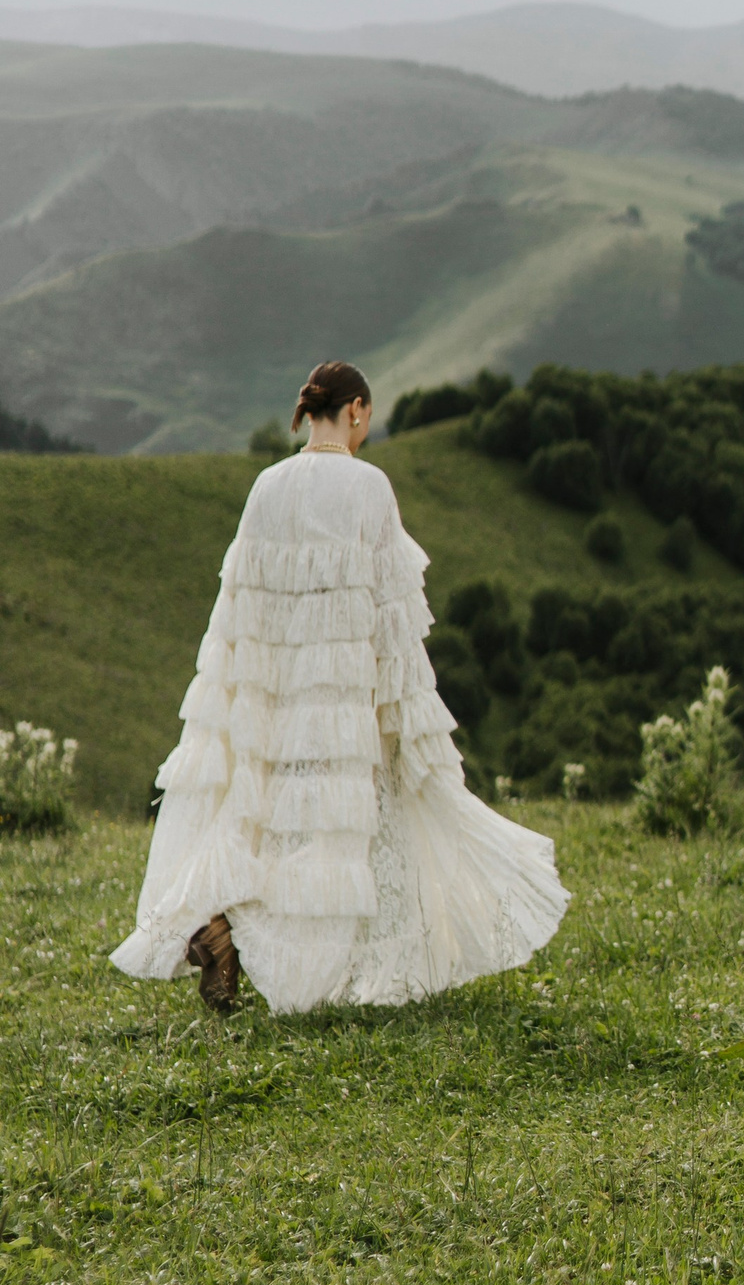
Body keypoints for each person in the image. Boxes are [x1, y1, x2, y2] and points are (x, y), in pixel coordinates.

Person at [113, 359, 568, 1015]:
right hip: (344, 697)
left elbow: (237, 606)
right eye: (367, 419)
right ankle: (310, 979)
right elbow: (391, 611)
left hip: (272, 695)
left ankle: (226, 931)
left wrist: (240, 698)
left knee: (269, 829)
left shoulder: (266, 487)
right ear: (355, 410)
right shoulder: (368, 486)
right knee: (336, 839)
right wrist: (407, 713)